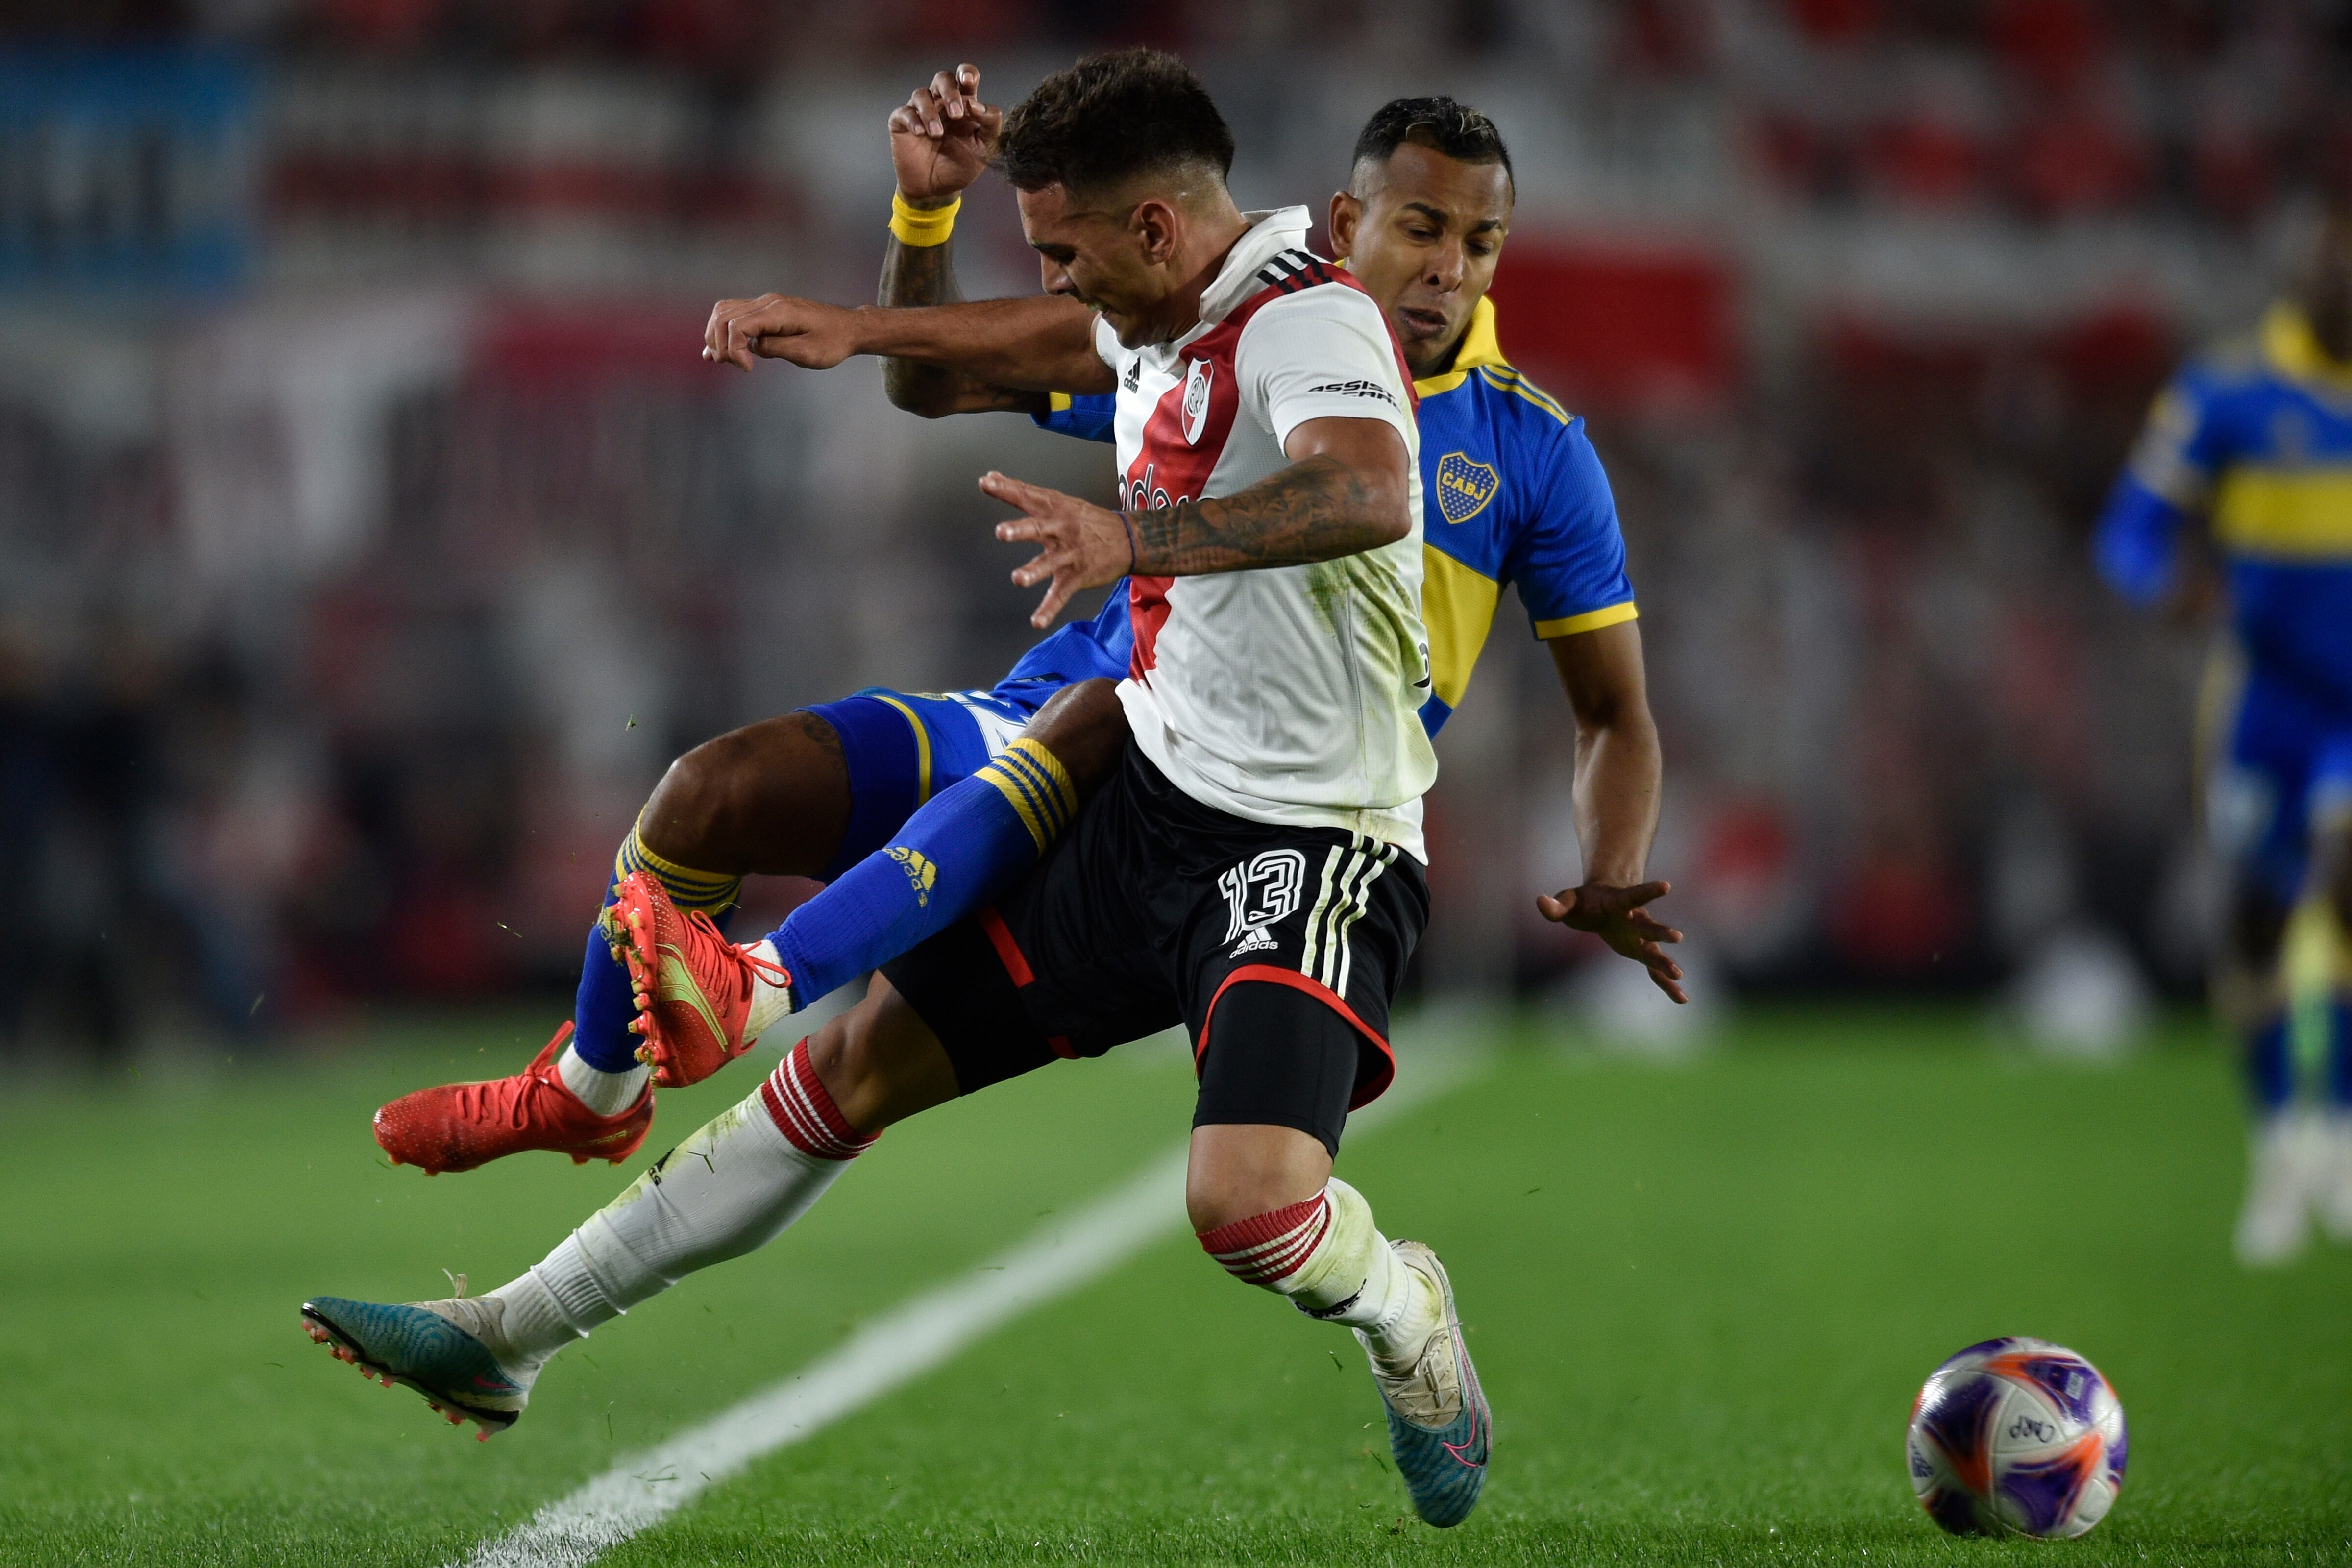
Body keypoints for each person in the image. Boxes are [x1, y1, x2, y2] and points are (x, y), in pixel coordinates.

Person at [371, 71, 1677, 1176]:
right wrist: (921, 217)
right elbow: (937, 381)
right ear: (1352, 219)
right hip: (1068, 708)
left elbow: (1611, 709)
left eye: (1481, 244)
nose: (1448, 267)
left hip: (1238, 808)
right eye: (1422, 227)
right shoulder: (1223, 334)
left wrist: (1613, 864)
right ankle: (590, 1092)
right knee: (712, 794)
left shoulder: (1533, 452)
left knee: (922, 1085)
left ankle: (732, 1037)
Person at [2093, 205, 2352, 1266]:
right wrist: (2168, 585)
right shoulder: (2227, 394)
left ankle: (2339, 1129)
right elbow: (2128, 532)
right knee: (2255, 925)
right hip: (2264, 705)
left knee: (2347, 881)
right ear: (2304, 278)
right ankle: (2278, 1142)